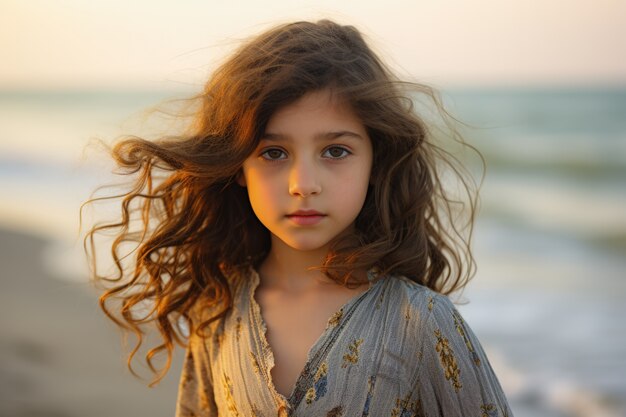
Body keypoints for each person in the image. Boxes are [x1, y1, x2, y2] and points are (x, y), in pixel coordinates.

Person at [83, 19, 513, 417]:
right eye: (273, 153)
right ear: (237, 167)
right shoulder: (217, 311)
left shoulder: (421, 322)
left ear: (375, 161)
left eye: (335, 151)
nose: (303, 183)